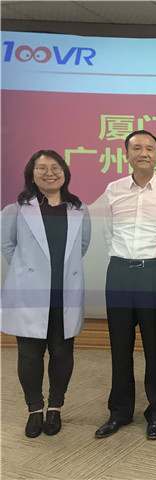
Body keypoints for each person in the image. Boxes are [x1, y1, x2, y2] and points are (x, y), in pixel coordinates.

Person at [1, 150, 91, 438]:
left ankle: (55, 407)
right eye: (41, 168)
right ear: (32, 173)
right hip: (29, 294)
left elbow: (82, 246)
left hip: (64, 294)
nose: (49, 173)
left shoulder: (78, 208)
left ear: (65, 172)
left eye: (55, 167)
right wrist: (28, 272)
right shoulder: (15, 209)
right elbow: (7, 246)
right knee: (30, 355)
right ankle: (34, 409)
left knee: (62, 353)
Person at [95, 130, 156, 440]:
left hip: (153, 273)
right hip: (119, 273)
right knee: (120, 346)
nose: (144, 153)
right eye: (137, 148)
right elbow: (108, 232)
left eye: (150, 148)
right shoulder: (113, 189)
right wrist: (123, 261)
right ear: (126, 154)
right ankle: (119, 411)